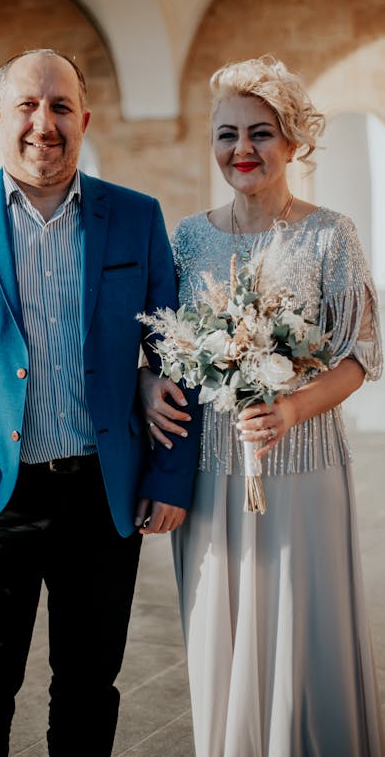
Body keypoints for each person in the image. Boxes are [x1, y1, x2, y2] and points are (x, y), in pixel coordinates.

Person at [0, 48, 201, 757]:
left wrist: (169, 474)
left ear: (84, 119)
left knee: (90, 691)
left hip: (101, 494)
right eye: (28, 106)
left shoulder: (135, 217)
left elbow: (177, 355)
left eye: (60, 106)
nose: (45, 123)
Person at [140, 56, 385, 756]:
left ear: (293, 141)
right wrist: (145, 384)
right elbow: (165, 353)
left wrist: (292, 410)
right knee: (221, 627)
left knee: (304, 627)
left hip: (304, 467)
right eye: (226, 135)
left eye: (260, 133)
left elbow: (362, 356)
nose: (241, 151)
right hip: (213, 470)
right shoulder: (188, 238)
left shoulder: (330, 234)